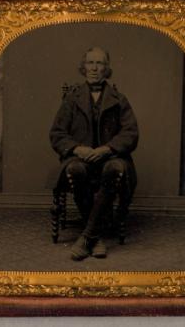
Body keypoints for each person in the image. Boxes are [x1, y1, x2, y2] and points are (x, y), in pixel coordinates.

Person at [49, 46, 139, 260]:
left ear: (106, 69)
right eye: (90, 63)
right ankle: (95, 238)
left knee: (115, 169)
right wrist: (78, 149)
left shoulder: (119, 99)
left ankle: (87, 236)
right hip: (80, 157)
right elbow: (57, 133)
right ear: (83, 67)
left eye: (99, 63)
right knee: (75, 169)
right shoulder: (72, 99)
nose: (94, 68)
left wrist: (107, 149)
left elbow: (131, 133)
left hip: (112, 157)